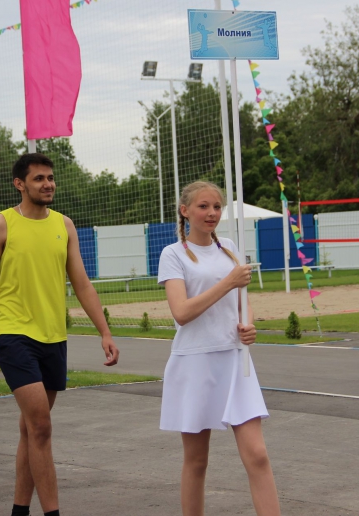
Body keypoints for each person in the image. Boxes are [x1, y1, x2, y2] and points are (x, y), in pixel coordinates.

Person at [0, 153, 120, 516]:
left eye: (50, 178)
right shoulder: (1, 225)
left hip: (53, 337)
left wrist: (105, 331)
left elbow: (82, 283)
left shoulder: (64, 225)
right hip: (13, 334)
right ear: (19, 184)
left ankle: (19, 511)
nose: (48, 184)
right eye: (39, 178)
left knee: (31, 430)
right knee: (41, 425)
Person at [157, 181, 281, 516]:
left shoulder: (229, 249)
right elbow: (182, 313)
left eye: (216, 207)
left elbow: (243, 304)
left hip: (236, 362)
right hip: (194, 364)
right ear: (185, 211)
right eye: (203, 206)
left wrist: (248, 325)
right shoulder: (173, 254)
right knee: (197, 461)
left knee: (257, 455)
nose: (212, 213)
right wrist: (228, 282)